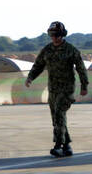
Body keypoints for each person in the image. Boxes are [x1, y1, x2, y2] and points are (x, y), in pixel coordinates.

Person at [25, 21, 88, 157]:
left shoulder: (71, 50)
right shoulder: (47, 50)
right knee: (56, 118)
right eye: (52, 35)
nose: (54, 37)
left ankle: (58, 145)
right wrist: (30, 77)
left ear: (62, 35)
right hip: (53, 89)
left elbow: (81, 68)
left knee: (59, 114)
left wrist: (84, 85)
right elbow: (38, 65)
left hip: (67, 89)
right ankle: (67, 146)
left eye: (57, 35)